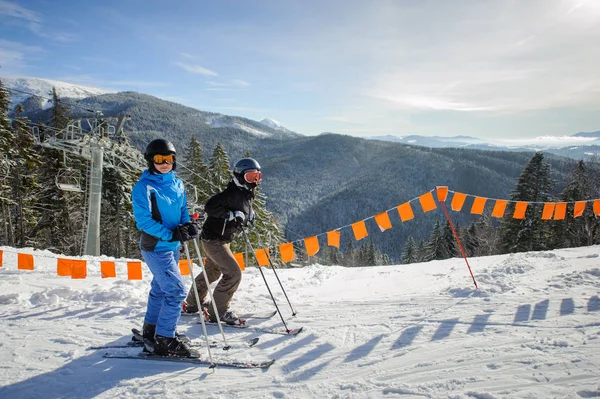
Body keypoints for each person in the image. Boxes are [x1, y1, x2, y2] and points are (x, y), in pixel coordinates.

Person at [131, 138, 199, 357]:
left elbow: (183, 209)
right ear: (151, 161)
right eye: (159, 159)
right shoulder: (143, 187)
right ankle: (165, 339)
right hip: (156, 246)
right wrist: (170, 233)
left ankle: (152, 330)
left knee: (161, 288)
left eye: (169, 159)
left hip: (172, 245)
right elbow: (143, 221)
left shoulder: (177, 183)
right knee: (176, 291)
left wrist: (187, 225)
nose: (164, 163)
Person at [183, 157, 262, 325]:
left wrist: (248, 216)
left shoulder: (245, 193)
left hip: (218, 238)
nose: (254, 182)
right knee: (233, 273)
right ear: (240, 176)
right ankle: (217, 313)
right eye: (251, 177)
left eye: (257, 177)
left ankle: (192, 304)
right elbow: (210, 206)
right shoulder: (232, 194)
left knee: (213, 271)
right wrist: (230, 215)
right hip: (214, 240)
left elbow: (242, 208)